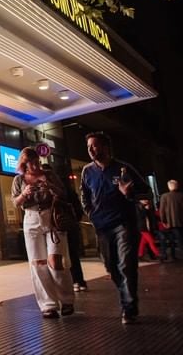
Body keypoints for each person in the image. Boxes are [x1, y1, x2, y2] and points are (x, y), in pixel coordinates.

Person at [80, 130, 148, 324]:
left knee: (126, 264)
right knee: (112, 267)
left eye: (95, 146)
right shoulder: (87, 171)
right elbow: (84, 195)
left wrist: (129, 193)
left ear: (105, 147)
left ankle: (129, 308)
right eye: (89, 147)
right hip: (101, 226)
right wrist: (91, 213)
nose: (92, 150)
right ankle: (126, 299)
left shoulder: (123, 169)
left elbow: (147, 192)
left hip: (123, 224)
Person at [10, 147, 75, 318]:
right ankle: (48, 305)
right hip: (31, 219)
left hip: (52, 217)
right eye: (29, 162)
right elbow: (15, 202)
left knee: (56, 260)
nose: (34, 165)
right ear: (24, 164)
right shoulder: (19, 180)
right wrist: (24, 194)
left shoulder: (49, 175)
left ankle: (67, 300)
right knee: (38, 263)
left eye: (36, 161)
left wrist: (50, 187)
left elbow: (63, 193)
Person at [57, 169, 88, 292]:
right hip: (72, 226)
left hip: (63, 226)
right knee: (73, 255)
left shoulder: (59, 194)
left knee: (67, 255)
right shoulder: (71, 193)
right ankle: (79, 281)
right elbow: (79, 211)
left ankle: (74, 281)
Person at [159, 179, 183, 261]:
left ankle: (171, 255)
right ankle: (173, 256)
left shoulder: (164, 196)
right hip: (180, 221)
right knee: (180, 239)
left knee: (171, 239)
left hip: (169, 223)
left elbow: (161, 211)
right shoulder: (181, 195)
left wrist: (163, 221)